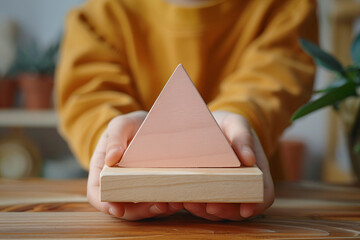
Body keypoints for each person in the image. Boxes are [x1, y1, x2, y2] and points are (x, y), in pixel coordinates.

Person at [56, 0, 318, 221]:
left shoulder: (287, 8)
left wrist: (236, 124)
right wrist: (113, 135)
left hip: (249, 219)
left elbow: (273, 81)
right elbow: (88, 95)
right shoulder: (98, 17)